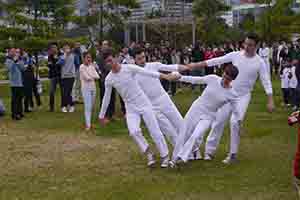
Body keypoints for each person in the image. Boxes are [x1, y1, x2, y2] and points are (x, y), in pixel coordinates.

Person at [188, 33, 274, 164]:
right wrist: (196, 65)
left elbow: (266, 80)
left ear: (256, 46)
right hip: (227, 93)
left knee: (235, 122)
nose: (247, 47)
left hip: (243, 96)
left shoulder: (260, 62)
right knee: (218, 121)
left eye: (250, 45)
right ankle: (209, 151)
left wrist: (270, 99)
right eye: (245, 44)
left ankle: (233, 154)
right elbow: (217, 60)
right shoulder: (235, 55)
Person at [98, 48, 179, 168]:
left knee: (155, 131)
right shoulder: (109, 79)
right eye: (107, 62)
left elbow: (147, 72)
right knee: (134, 131)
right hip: (130, 108)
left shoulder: (128, 68)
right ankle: (148, 153)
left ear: (115, 58)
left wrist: (165, 77)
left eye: (111, 60)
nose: (109, 64)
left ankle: (165, 156)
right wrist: (101, 115)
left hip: (144, 103)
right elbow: (106, 97)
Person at [172, 64, 240, 164]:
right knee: (184, 132)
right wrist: (180, 77)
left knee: (196, 135)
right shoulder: (213, 78)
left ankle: (181, 158)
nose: (224, 80)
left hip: (209, 116)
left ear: (232, 80)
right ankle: (174, 158)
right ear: (223, 73)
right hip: (197, 108)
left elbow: (236, 111)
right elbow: (196, 80)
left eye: (228, 79)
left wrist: (238, 122)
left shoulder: (232, 94)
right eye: (225, 76)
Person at [133, 48, 188, 148]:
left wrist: (187, 67)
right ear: (134, 60)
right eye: (139, 59)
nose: (142, 60)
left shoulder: (154, 65)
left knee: (180, 122)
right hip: (151, 106)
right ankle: (179, 150)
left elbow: (171, 67)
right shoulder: (133, 74)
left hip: (164, 99)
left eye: (143, 57)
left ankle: (192, 148)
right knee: (168, 130)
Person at [80, 52, 100, 131]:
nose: (89, 59)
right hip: (85, 89)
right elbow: (87, 77)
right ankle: (88, 125)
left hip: (93, 88)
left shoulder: (92, 66)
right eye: (87, 57)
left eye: (90, 57)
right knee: (87, 106)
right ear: (83, 58)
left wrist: (92, 75)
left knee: (91, 106)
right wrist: (92, 76)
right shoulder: (81, 67)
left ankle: (90, 122)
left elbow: (97, 76)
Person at [5, 48, 25, 120]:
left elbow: (23, 68)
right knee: (15, 99)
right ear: (9, 52)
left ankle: (20, 112)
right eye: (12, 52)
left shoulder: (18, 59)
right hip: (14, 83)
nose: (14, 53)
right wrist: (14, 61)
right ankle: (14, 114)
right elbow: (9, 68)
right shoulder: (8, 60)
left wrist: (17, 61)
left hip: (20, 82)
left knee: (20, 98)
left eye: (15, 52)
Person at [58, 44, 79, 113]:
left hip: (71, 76)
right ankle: (64, 106)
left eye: (68, 48)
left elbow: (77, 64)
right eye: (65, 48)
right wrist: (64, 55)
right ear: (63, 50)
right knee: (64, 92)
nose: (67, 49)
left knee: (68, 92)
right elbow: (59, 63)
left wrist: (73, 71)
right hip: (64, 76)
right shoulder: (61, 56)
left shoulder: (74, 56)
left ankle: (71, 106)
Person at [48, 43, 62, 112]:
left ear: (57, 48)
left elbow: (61, 64)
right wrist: (56, 62)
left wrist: (55, 63)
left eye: (55, 47)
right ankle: (51, 107)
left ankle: (64, 105)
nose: (54, 49)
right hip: (53, 76)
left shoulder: (61, 55)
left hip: (60, 75)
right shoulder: (50, 56)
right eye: (52, 47)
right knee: (51, 92)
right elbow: (50, 65)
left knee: (63, 91)